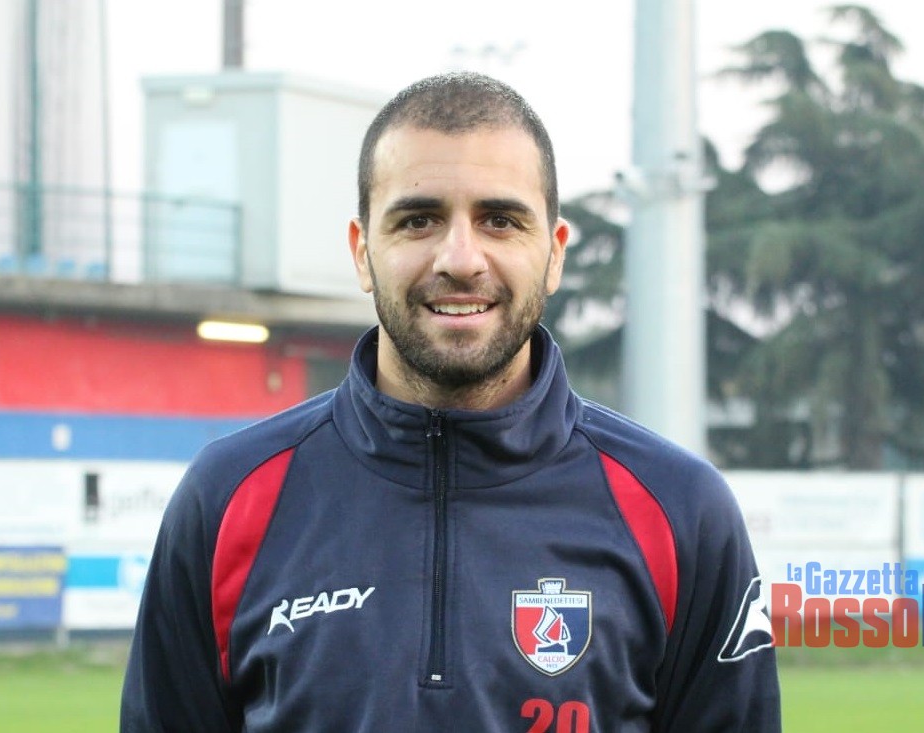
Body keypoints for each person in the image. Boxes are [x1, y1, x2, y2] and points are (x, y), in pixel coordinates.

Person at [121, 71, 780, 732]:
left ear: (553, 254)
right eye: (418, 220)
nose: (461, 258)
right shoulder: (228, 499)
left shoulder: (681, 510)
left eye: (500, 220)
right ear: (362, 251)